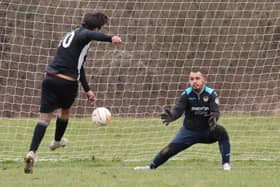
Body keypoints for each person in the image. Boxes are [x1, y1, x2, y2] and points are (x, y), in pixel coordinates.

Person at [24, 12, 122, 174]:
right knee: (65, 111)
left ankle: (32, 152)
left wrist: (87, 89)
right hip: (67, 82)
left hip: (50, 78)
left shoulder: (71, 34)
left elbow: (80, 67)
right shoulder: (85, 34)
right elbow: (91, 34)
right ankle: (56, 141)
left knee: (44, 118)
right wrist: (110, 38)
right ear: (96, 28)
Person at [134, 70, 231, 171]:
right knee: (168, 150)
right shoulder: (186, 94)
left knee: (222, 132)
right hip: (189, 132)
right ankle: (151, 167)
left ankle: (226, 164)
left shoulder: (211, 93)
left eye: (197, 78)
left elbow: (215, 111)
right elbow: (178, 109)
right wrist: (172, 116)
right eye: (192, 79)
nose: (194, 81)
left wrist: (214, 118)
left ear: (203, 80)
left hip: (207, 131)